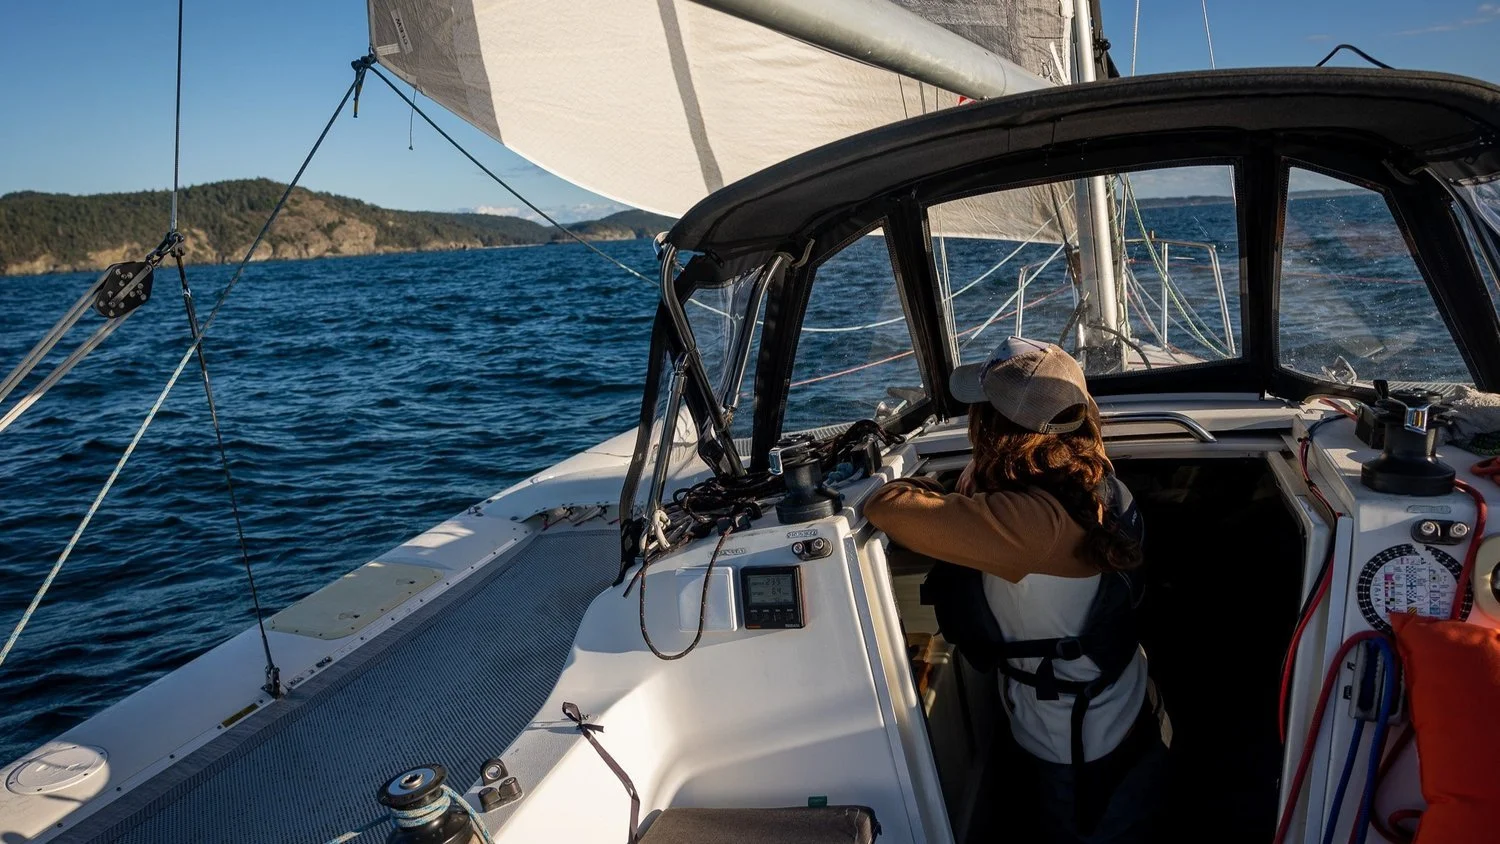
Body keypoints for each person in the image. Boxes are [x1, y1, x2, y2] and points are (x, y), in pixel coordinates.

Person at [864, 336, 1169, 844]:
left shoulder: (1028, 527)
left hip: (1074, 748)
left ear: (994, 428)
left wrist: (962, 485)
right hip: (1125, 706)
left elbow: (887, 507)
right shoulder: (1098, 482)